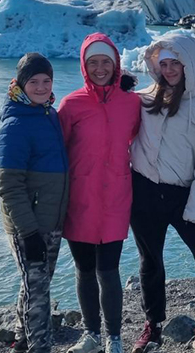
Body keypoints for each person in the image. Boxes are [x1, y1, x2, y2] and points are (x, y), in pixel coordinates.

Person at [128, 33, 195, 353]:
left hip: (183, 193)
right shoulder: (141, 100)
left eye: (175, 64)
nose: (169, 70)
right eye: (164, 64)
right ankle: (152, 326)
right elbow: (109, 116)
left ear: (189, 65)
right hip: (143, 190)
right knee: (150, 262)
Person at [58, 34, 141, 353]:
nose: (100, 68)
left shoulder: (131, 102)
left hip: (116, 198)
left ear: (116, 63)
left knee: (109, 270)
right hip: (80, 199)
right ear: (84, 65)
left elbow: (137, 137)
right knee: (84, 269)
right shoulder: (71, 104)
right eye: (93, 62)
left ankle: (114, 338)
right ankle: (91, 334)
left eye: (106, 61)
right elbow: (59, 149)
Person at [0, 52, 70, 353]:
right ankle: (40, 347)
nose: (41, 87)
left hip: (49, 219)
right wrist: (28, 233)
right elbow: (9, 186)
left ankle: (20, 340)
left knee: (35, 284)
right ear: (20, 84)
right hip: (29, 226)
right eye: (34, 81)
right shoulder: (15, 126)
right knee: (39, 292)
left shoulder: (48, 115)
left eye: (46, 81)